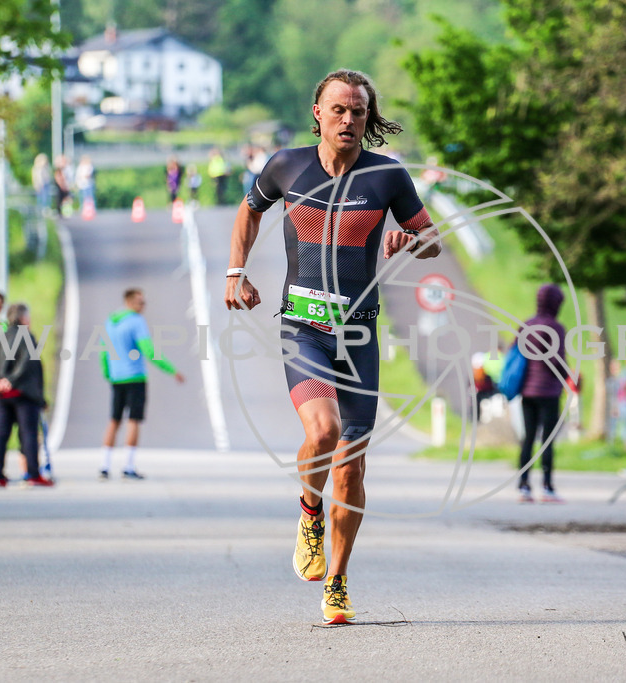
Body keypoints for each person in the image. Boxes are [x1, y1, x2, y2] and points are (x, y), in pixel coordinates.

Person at [224, 69, 441, 624]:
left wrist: (408, 238)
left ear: (368, 119)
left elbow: (433, 241)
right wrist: (236, 271)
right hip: (304, 327)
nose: (349, 120)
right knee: (321, 432)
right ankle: (309, 512)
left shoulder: (387, 176)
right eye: (339, 110)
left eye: (359, 112)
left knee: (351, 464)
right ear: (317, 112)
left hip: (359, 334)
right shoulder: (286, 167)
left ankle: (338, 581)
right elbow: (250, 209)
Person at [100, 288, 185, 480]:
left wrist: (108, 373)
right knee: (133, 420)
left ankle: (104, 465)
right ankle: (128, 466)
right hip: (135, 377)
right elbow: (149, 350)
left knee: (114, 419)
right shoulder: (136, 321)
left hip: (116, 378)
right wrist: (172, 370)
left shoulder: (110, 321)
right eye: (140, 302)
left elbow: (103, 351)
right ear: (129, 302)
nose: (143, 306)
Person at [0, 303, 53, 487]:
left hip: (0, 395)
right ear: (23, 318)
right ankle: (32, 474)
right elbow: (29, 364)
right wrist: (11, 381)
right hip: (23, 394)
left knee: (0, 434)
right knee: (28, 434)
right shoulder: (26, 337)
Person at [516, 284, 569, 504]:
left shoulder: (526, 325)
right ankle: (547, 488)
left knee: (528, 438)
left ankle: (524, 486)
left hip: (527, 391)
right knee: (547, 440)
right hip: (548, 391)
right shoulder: (555, 327)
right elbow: (555, 360)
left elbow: (516, 352)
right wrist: (569, 375)